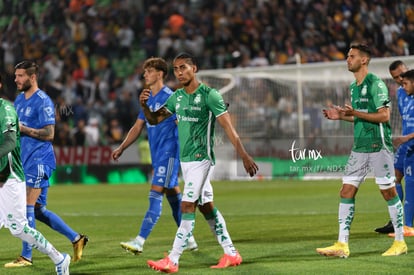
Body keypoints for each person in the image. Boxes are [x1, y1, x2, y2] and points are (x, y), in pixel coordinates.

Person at [141, 52, 259, 273]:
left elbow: (228, 128)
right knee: (206, 208)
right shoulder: (176, 97)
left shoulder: (209, 95)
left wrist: (244, 155)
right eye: (176, 69)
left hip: (201, 159)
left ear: (194, 68)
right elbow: (155, 119)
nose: (179, 72)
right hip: (186, 162)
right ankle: (231, 253)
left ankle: (173, 260)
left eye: (183, 67)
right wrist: (146, 106)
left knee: (187, 205)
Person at [317, 44, 407, 258]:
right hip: (359, 147)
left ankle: (400, 242)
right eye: (348, 56)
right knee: (346, 191)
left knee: (388, 192)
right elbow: (359, 116)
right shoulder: (353, 87)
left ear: (364, 60)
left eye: (352, 56)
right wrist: (341, 117)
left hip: (378, 145)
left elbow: (384, 116)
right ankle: (342, 244)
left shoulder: (375, 84)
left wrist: (355, 112)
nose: (348, 59)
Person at [5, 60, 88, 268]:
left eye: (20, 76)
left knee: (26, 208)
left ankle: (27, 256)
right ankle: (76, 238)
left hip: (39, 160)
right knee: (39, 210)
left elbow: (50, 134)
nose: (16, 79)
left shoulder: (43, 101)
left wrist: (24, 129)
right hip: (24, 160)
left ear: (32, 77)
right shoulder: (18, 100)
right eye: (15, 76)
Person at [112, 57, 198, 254]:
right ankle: (189, 238)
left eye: (148, 71)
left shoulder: (171, 97)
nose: (145, 75)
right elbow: (137, 126)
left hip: (170, 153)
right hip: (158, 153)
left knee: (156, 192)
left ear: (159, 74)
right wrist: (122, 147)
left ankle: (140, 241)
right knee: (173, 194)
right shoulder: (148, 97)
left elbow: (183, 123)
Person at [0, 75, 70, 275]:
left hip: (9, 177)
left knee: (19, 228)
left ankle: (59, 258)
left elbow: (10, 141)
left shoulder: (5, 110)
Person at [375, 60, 411, 234]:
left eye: (402, 74)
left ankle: (407, 222)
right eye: (395, 77)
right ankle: (396, 220)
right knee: (394, 178)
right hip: (405, 142)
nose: (399, 79)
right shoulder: (399, 92)